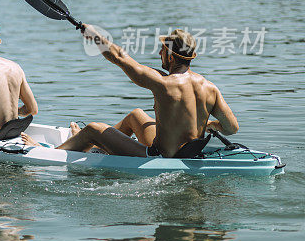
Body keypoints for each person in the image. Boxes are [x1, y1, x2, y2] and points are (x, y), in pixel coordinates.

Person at [24, 27, 238, 158]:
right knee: (136, 115)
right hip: (188, 153)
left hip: (159, 156)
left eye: (162, 50)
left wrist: (96, 37)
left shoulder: (164, 84)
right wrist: (208, 124)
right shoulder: (210, 88)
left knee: (92, 129)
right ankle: (100, 150)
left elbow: (120, 57)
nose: (159, 53)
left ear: (171, 57)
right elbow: (231, 128)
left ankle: (59, 149)